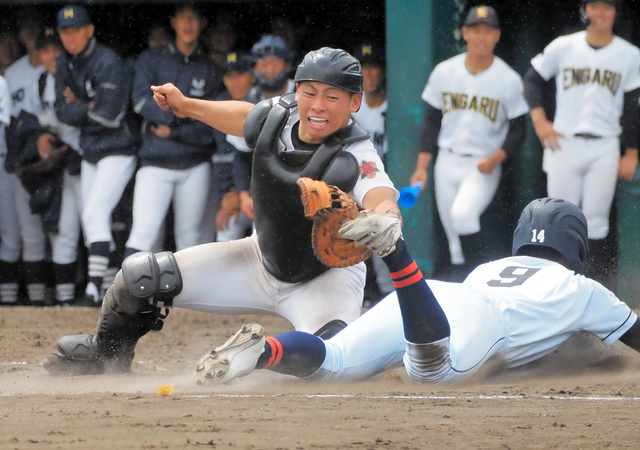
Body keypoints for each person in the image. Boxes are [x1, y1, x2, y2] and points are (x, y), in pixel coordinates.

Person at [43, 47, 401, 376]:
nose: (318, 105)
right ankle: (107, 355)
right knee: (141, 276)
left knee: (330, 355)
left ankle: (261, 354)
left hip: (326, 280)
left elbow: (381, 194)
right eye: (309, 92)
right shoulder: (280, 113)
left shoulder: (359, 154)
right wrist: (186, 105)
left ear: (355, 102)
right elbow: (246, 116)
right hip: (259, 259)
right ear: (297, 91)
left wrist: (386, 217)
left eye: (332, 96)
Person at [194, 197, 640, 387]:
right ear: (575, 245)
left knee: (333, 362)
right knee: (433, 373)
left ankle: (265, 350)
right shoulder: (581, 288)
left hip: (439, 297)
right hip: (467, 320)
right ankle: (396, 254)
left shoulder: (495, 265)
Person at [523, 0, 640, 290]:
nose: (600, 13)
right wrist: (539, 121)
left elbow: (632, 107)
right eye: (595, 5)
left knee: (597, 222)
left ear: (616, 11)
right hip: (565, 142)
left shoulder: (630, 54)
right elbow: (532, 80)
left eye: (608, 6)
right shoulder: (564, 45)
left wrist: (632, 151)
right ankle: (557, 287)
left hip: (605, 144)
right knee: (558, 218)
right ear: (585, 9)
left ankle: (590, 287)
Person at [409, 5, 528, 280]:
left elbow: (519, 130)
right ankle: (468, 285)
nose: (481, 37)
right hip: (448, 159)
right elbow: (431, 123)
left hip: (482, 162)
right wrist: (421, 167)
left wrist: (496, 158)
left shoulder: (508, 78)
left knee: (463, 215)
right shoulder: (444, 71)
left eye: (488, 31)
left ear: (497, 35)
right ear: (465, 33)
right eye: (475, 30)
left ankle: (485, 280)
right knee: (453, 239)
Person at [54, 5, 140, 306]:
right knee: (92, 219)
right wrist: (86, 106)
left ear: (89, 30)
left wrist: (81, 105)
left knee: (94, 214)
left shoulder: (108, 60)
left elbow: (110, 114)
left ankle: (93, 290)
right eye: (65, 30)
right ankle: (106, 288)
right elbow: (60, 111)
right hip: (91, 148)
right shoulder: (64, 61)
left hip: (119, 147)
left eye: (75, 29)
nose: (70, 36)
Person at [124, 3, 219, 258]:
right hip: (155, 161)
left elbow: (212, 122)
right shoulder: (151, 58)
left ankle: (186, 299)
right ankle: (128, 294)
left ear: (202, 24)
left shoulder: (209, 68)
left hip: (195, 162)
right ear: (173, 22)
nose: (188, 23)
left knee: (189, 239)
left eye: (194, 17)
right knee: (145, 232)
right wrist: (185, 115)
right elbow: (141, 102)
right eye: (182, 17)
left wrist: (174, 126)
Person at [5, 27, 84, 306]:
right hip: (47, 165)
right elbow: (25, 125)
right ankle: (38, 303)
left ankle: (70, 300)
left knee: (70, 230)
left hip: (77, 160)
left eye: (56, 49)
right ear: (39, 53)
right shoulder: (38, 81)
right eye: (46, 50)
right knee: (35, 232)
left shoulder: (76, 77)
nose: (52, 55)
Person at [4, 8, 49, 306]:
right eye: (25, 27)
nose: (29, 32)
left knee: (59, 231)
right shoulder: (11, 73)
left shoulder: (53, 66)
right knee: (20, 230)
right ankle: (23, 303)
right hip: (21, 161)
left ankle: (54, 299)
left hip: (54, 153)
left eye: (35, 26)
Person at [352, 42, 392, 306]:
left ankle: (390, 292)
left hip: (386, 178)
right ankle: (365, 291)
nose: (368, 74)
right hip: (357, 177)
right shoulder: (352, 105)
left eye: (373, 67)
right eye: (362, 68)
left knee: (385, 231)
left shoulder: (394, 104)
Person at [213, 51, 256, 242]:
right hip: (239, 193)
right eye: (229, 76)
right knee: (226, 228)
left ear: (252, 76)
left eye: (239, 74)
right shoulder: (220, 106)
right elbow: (227, 157)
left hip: (264, 194)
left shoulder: (262, 102)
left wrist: (243, 193)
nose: (234, 81)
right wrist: (230, 194)